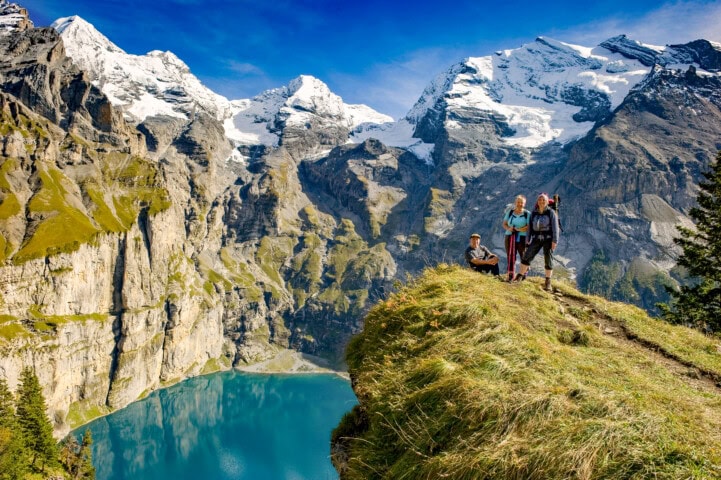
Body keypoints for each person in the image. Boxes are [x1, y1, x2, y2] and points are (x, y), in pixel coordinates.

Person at [515, 193, 560, 290]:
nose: (541, 201)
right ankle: (520, 276)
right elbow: (529, 228)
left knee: (548, 258)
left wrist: (554, 241)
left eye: (543, 199)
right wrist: (527, 240)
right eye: (540, 199)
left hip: (548, 238)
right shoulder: (534, 213)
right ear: (537, 201)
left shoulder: (551, 212)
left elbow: (555, 228)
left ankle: (548, 281)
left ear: (547, 201)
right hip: (536, 238)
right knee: (527, 256)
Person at [502, 195, 530, 281]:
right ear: (515, 202)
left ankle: (523, 274)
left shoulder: (527, 214)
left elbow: (528, 226)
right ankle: (510, 275)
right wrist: (509, 228)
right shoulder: (510, 212)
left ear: (524, 204)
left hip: (522, 237)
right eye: (518, 202)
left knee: (523, 255)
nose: (520, 204)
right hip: (509, 236)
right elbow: (504, 224)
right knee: (510, 255)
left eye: (522, 202)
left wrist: (518, 229)